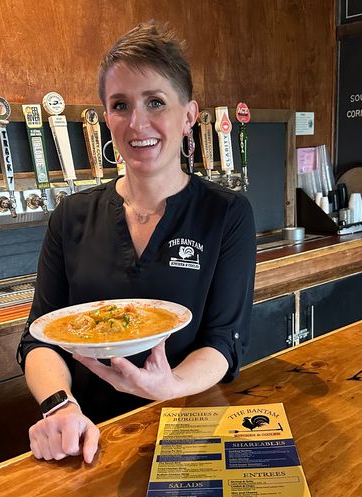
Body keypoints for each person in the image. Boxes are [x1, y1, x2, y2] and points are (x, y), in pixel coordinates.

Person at [18, 21, 256, 463]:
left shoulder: (225, 214)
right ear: (106, 116)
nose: (137, 122)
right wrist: (59, 406)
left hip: (188, 423)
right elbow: (40, 339)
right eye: (121, 105)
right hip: (88, 434)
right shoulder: (70, 217)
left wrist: (171, 387)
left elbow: (224, 339)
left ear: (189, 116)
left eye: (156, 102)